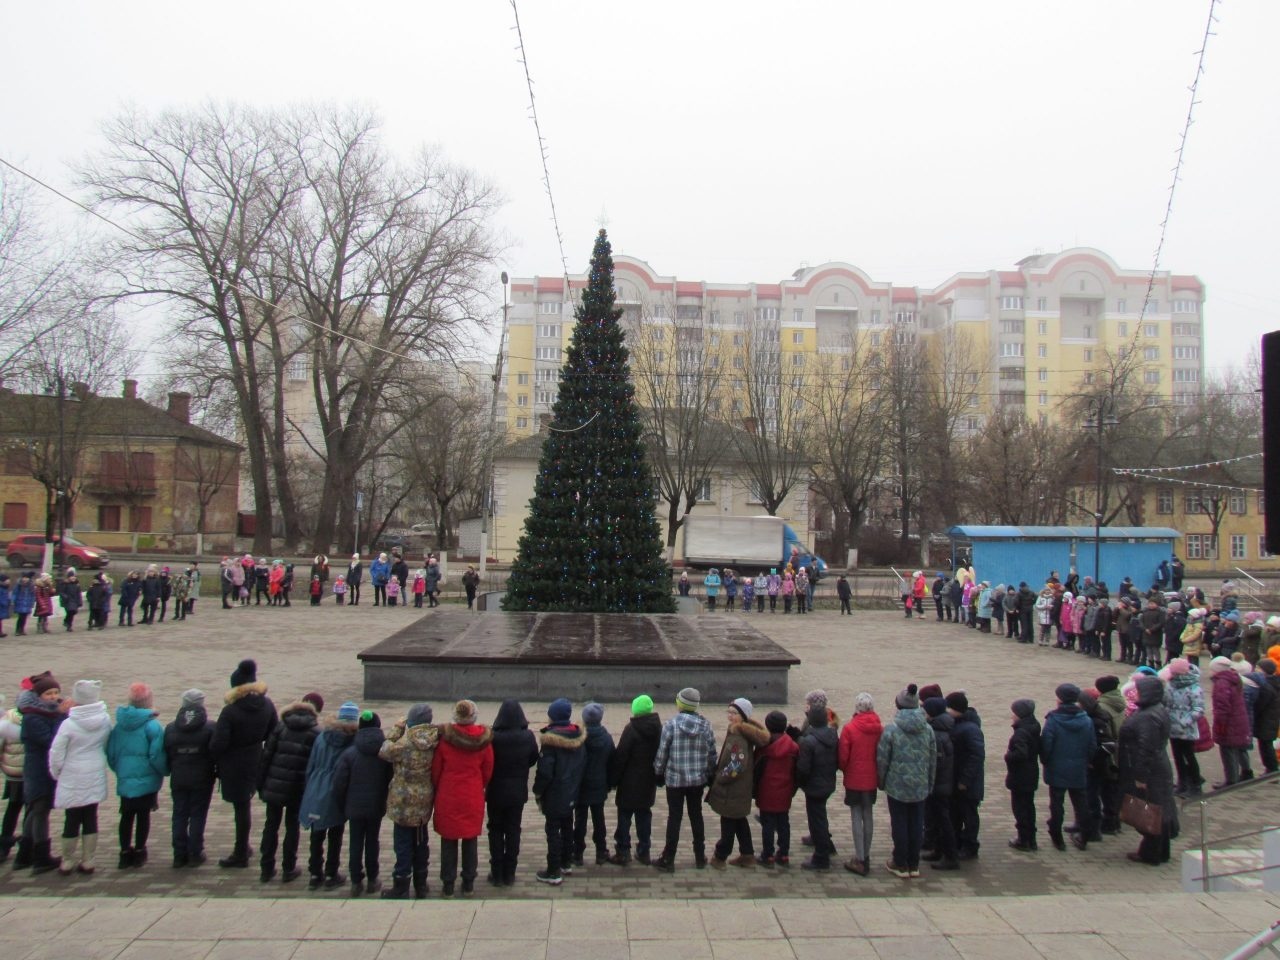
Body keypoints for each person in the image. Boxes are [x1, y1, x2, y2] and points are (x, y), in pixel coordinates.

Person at [211, 659, 278, 869]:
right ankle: (245, 848)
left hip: (234, 764)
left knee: (241, 808)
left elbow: (218, 744)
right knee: (246, 806)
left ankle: (241, 851)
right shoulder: (267, 704)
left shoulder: (230, 711)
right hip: (256, 759)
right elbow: (273, 733)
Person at [257, 692, 323, 882]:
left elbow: (266, 757)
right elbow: (315, 766)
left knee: (271, 825)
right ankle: (288, 868)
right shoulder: (316, 732)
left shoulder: (280, 727)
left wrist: (260, 784)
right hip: (297, 788)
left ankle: (266, 868)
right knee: (291, 827)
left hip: (274, 786)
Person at [49, 679, 110, 875]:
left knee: (71, 818)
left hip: (72, 773)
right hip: (95, 771)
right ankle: (88, 860)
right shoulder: (105, 719)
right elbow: (107, 744)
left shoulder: (69, 723)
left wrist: (56, 772)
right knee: (91, 815)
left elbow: (56, 752)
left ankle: (67, 860)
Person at [432, 700, 493, 896]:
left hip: (448, 794)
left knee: (448, 841)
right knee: (470, 840)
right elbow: (487, 771)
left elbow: (436, 771)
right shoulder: (484, 741)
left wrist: (440, 787)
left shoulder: (445, 740)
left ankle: (448, 884)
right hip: (472, 795)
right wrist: (477, 784)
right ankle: (468, 883)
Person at [652, 687, 716, 873]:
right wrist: (710, 774)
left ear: (679, 703)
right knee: (696, 815)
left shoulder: (671, 724)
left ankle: (669, 857)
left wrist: (658, 772)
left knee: (675, 817)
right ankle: (699, 855)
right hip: (697, 780)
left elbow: (662, 752)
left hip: (675, 780)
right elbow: (712, 754)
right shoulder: (705, 725)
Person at [379, 703, 438, 899]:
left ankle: (401, 884)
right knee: (421, 843)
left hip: (403, 804)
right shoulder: (435, 741)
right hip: (423, 802)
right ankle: (421, 884)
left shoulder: (404, 745)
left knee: (403, 844)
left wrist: (396, 729)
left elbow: (384, 750)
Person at [106, 682, 169, 868]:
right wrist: (164, 770)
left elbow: (111, 754)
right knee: (143, 816)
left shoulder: (119, 726)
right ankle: (140, 851)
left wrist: (120, 771)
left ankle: (124, 852)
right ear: (149, 702)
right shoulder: (152, 727)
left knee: (126, 815)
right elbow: (157, 755)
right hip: (147, 780)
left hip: (126, 780)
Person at [877, 684, 936, 879]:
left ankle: (900, 862)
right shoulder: (927, 729)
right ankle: (914, 863)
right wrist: (929, 783)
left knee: (900, 823)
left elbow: (883, 758)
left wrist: (881, 781)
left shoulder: (892, 729)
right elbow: (932, 759)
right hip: (920, 785)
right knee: (917, 823)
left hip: (897, 785)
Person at [1118, 675, 1178, 864]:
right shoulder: (1153, 710)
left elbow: (1146, 749)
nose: (1134, 693)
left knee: (1151, 810)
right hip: (1156, 767)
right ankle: (1159, 851)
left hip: (1151, 771)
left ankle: (1151, 853)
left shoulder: (1148, 716)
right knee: (1157, 809)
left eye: (1138, 690)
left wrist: (1140, 776)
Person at [300, 700, 359, 889]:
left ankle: (315, 873)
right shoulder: (352, 741)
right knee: (336, 832)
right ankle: (331, 873)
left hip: (317, 784)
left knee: (317, 831)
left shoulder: (322, 736)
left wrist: (310, 785)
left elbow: (312, 763)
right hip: (337, 789)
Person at [333, 710, 392, 895]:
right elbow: (390, 778)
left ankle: (356, 881)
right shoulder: (384, 753)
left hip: (354, 805)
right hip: (376, 804)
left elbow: (339, 783)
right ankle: (373, 879)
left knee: (356, 841)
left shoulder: (349, 753)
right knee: (372, 840)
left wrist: (342, 804)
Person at [706, 698, 767, 868]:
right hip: (740, 788)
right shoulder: (740, 731)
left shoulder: (738, 735)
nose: (730, 716)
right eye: (730, 712)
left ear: (743, 716)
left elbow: (738, 764)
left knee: (728, 823)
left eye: (735, 713)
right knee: (739, 820)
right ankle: (747, 855)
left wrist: (721, 777)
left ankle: (720, 856)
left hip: (732, 789)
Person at [532, 698, 585, 885]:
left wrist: (537, 790)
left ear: (553, 716)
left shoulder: (550, 741)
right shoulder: (577, 737)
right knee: (567, 826)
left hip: (555, 793)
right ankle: (566, 862)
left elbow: (545, 771)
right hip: (572, 790)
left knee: (553, 831)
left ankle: (553, 871)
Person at [18, 672, 68, 872]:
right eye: (48, 693)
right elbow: (51, 740)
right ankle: (40, 857)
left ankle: (24, 854)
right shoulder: (32, 716)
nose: (54, 696)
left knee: (35, 809)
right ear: (38, 696)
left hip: (42, 768)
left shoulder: (46, 713)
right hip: (38, 769)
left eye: (56, 692)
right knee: (39, 810)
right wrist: (62, 716)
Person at [486, 700, 539, 886]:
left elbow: (487, 763)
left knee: (495, 829)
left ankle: (497, 872)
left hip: (495, 793)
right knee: (513, 829)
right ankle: (510, 872)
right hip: (517, 793)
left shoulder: (492, 737)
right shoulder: (528, 736)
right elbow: (533, 758)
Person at [606, 695, 662, 867]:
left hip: (629, 782)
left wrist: (613, 780)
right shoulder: (659, 729)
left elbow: (621, 756)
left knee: (624, 816)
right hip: (648, 782)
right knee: (644, 816)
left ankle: (623, 851)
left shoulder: (631, 729)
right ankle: (644, 851)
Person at [165, 688, 217, 869]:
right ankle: (196, 852)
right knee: (197, 814)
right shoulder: (210, 727)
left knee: (179, 814)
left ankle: (179, 855)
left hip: (178, 777)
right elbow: (215, 752)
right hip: (202, 778)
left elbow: (167, 753)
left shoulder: (171, 728)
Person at [1040, 683, 1095, 852]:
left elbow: (1046, 744)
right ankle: (1085, 836)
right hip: (1079, 767)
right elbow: (1092, 745)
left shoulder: (1054, 719)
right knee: (1081, 803)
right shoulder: (1085, 719)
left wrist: (1046, 760)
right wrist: (1087, 761)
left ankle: (1057, 838)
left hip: (1057, 767)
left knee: (1056, 804)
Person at [838, 692, 882, 875]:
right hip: (871, 778)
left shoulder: (850, 728)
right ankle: (867, 853)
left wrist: (844, 768)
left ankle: (860, 857)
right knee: (868, 814)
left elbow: (843, 757)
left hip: (854, 779)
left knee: (856, 815)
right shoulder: (879, 728)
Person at [796, 701, 838, 870]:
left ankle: (821, 857)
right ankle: (826, 845)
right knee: (820, 815)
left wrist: (800, 782)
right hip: (828, 782)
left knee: (817, 819)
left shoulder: (809, 741)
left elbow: (803, 768)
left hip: (814, 785)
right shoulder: (833, 735)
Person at [755, 710, 798, 867]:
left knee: (767, 824)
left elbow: (756, 768)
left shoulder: (764, 746)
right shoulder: (793, 746)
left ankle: (768, 854)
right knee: (783, 823)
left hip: (766, 790)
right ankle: (784, 854)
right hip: (785, 791)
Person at [573, 702, 615, 867]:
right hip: (599, 785)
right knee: (599, 819)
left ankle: (577, 853)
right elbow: (612, 760)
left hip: (581, 786)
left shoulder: (578, 738)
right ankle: (601, 851)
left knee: (580, 820)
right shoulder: (606, 738)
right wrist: (610, 782)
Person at [946, 691, 985, 860]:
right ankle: (959, 842)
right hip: (958, 780)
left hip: (967, 783)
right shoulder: (959, 724)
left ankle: (970, 846)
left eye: (949, 707)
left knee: (969, 815)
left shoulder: (970, 729)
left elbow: (976, 756)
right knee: (957, 813)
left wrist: (965, 780)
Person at [920, 697, 958, 870]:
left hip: (939, 785)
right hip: (941, 783)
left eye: (926, 711)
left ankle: (950, 856)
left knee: (943, 820)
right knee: (937, 818)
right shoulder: (943, 727)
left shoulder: (937, 734)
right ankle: (939, 849)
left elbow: (936, 763)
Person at [1208, 656, 1253, 787]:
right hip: (1239, 718)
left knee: (1227, 750)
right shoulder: (1234, 678)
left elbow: (1222, 707)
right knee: (1240, 747)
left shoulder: (1221, 683)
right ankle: (1246, 772)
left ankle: (1231, 780)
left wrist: (1220, 726)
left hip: (1229, 722)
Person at [1162, 660, 1205, 798]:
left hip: (1186, 729)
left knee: (1189, 757)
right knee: (1177, 756)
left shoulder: (1194, 688)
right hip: (1172, 727)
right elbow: (1167, 702)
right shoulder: (1171, 685)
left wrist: (1184, 722)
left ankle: (1196, 784)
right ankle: (1182, 783)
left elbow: (1198, 709)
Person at [1003, 699, 1040, 852]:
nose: (1012, 715)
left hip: (1020, 776)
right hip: (1031, 773)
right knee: (1029, 806)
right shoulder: (1033, 726)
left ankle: (1023, 839)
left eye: (1014, 712)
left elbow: (1020, 754)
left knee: (1020, 808)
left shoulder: (1021, 733)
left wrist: (1008, 756)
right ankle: (1031, 839)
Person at [0, 689, 24, 861]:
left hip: (13, 773)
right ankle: (27, 846)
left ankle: (4, 845)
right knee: (31, 811)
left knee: (13, 808)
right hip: (29, 774)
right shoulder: (40, 717)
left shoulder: (7, 717)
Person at [13, 572, 35, 636]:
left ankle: (22, 629)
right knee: (20, 617)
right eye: (24, 577)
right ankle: (17, 630)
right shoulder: (19, 585)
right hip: (20, 602)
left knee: (24, 617)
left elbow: (32, 595)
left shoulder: (31, 586)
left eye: (27, 578)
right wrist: (13, 600)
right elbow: (15, 593)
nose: (25, 579)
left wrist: (32, 602)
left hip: (27, 603)